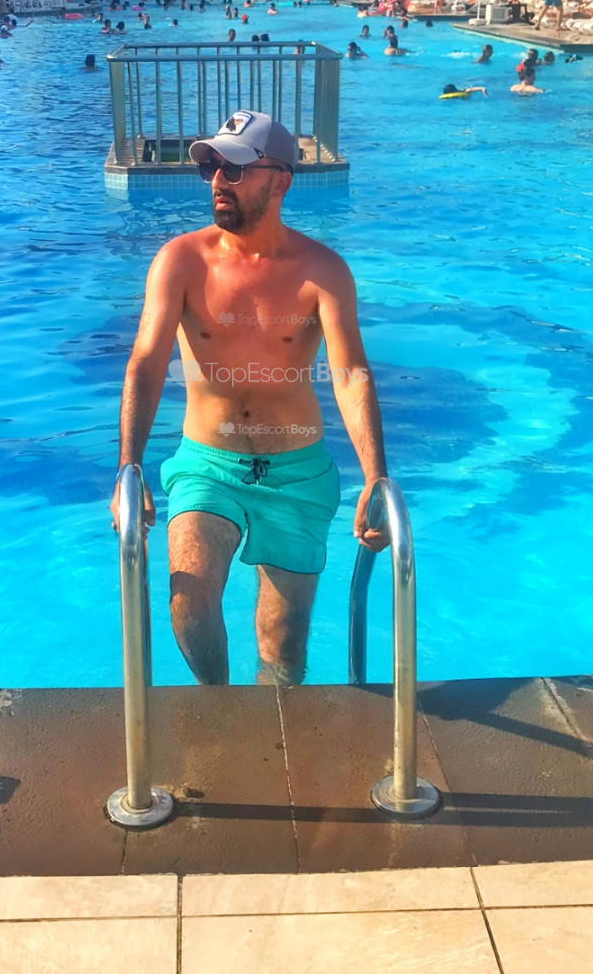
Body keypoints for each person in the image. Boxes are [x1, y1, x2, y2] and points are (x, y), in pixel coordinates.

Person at [109, 110, 390, 686]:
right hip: (207, 464)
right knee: (189, 601)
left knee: (282, 643)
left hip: (297, 472)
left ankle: (273, 724)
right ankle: (221, 710)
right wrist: (128, 468)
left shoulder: (322, 271)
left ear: (280, 181)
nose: (217, 180)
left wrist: (375, 478)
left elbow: (350, 374)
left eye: (234, 168)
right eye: (211, 166)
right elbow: (146, 363)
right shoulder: (181, 261)